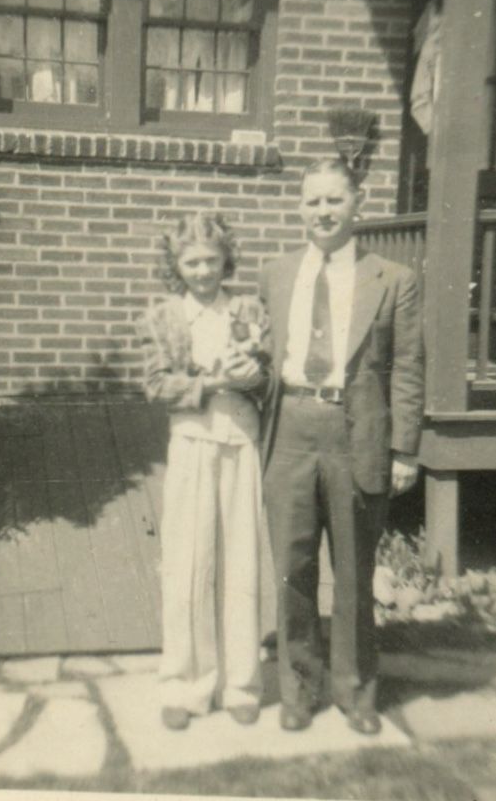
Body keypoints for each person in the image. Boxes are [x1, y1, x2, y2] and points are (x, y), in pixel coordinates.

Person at [259, 157, 424, 735]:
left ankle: (356, 692)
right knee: (292, 567)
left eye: (334, 199)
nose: (323, 211)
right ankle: (299, 688)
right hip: (290, 428)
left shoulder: (393, 278)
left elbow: (408, 366)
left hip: (356, 435)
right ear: (299, 208)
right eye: (313, 201)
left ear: (358, 202)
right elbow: (262, 358)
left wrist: (405, 449)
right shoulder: (275, 274)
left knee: (354, 571)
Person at [136, 212, 271, 731]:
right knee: (188, 565)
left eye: (211, 260)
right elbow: (155, 385)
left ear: (226, 260)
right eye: (191, 262)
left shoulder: (248, 310)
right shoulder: (163, 318)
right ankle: (184, 686)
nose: (202, 271)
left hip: (241, 441)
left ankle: (241, 685)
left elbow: (268, 378)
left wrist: (254, 376)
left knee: (241, 564)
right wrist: (210, 385)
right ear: (176, 265)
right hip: (192, 442)